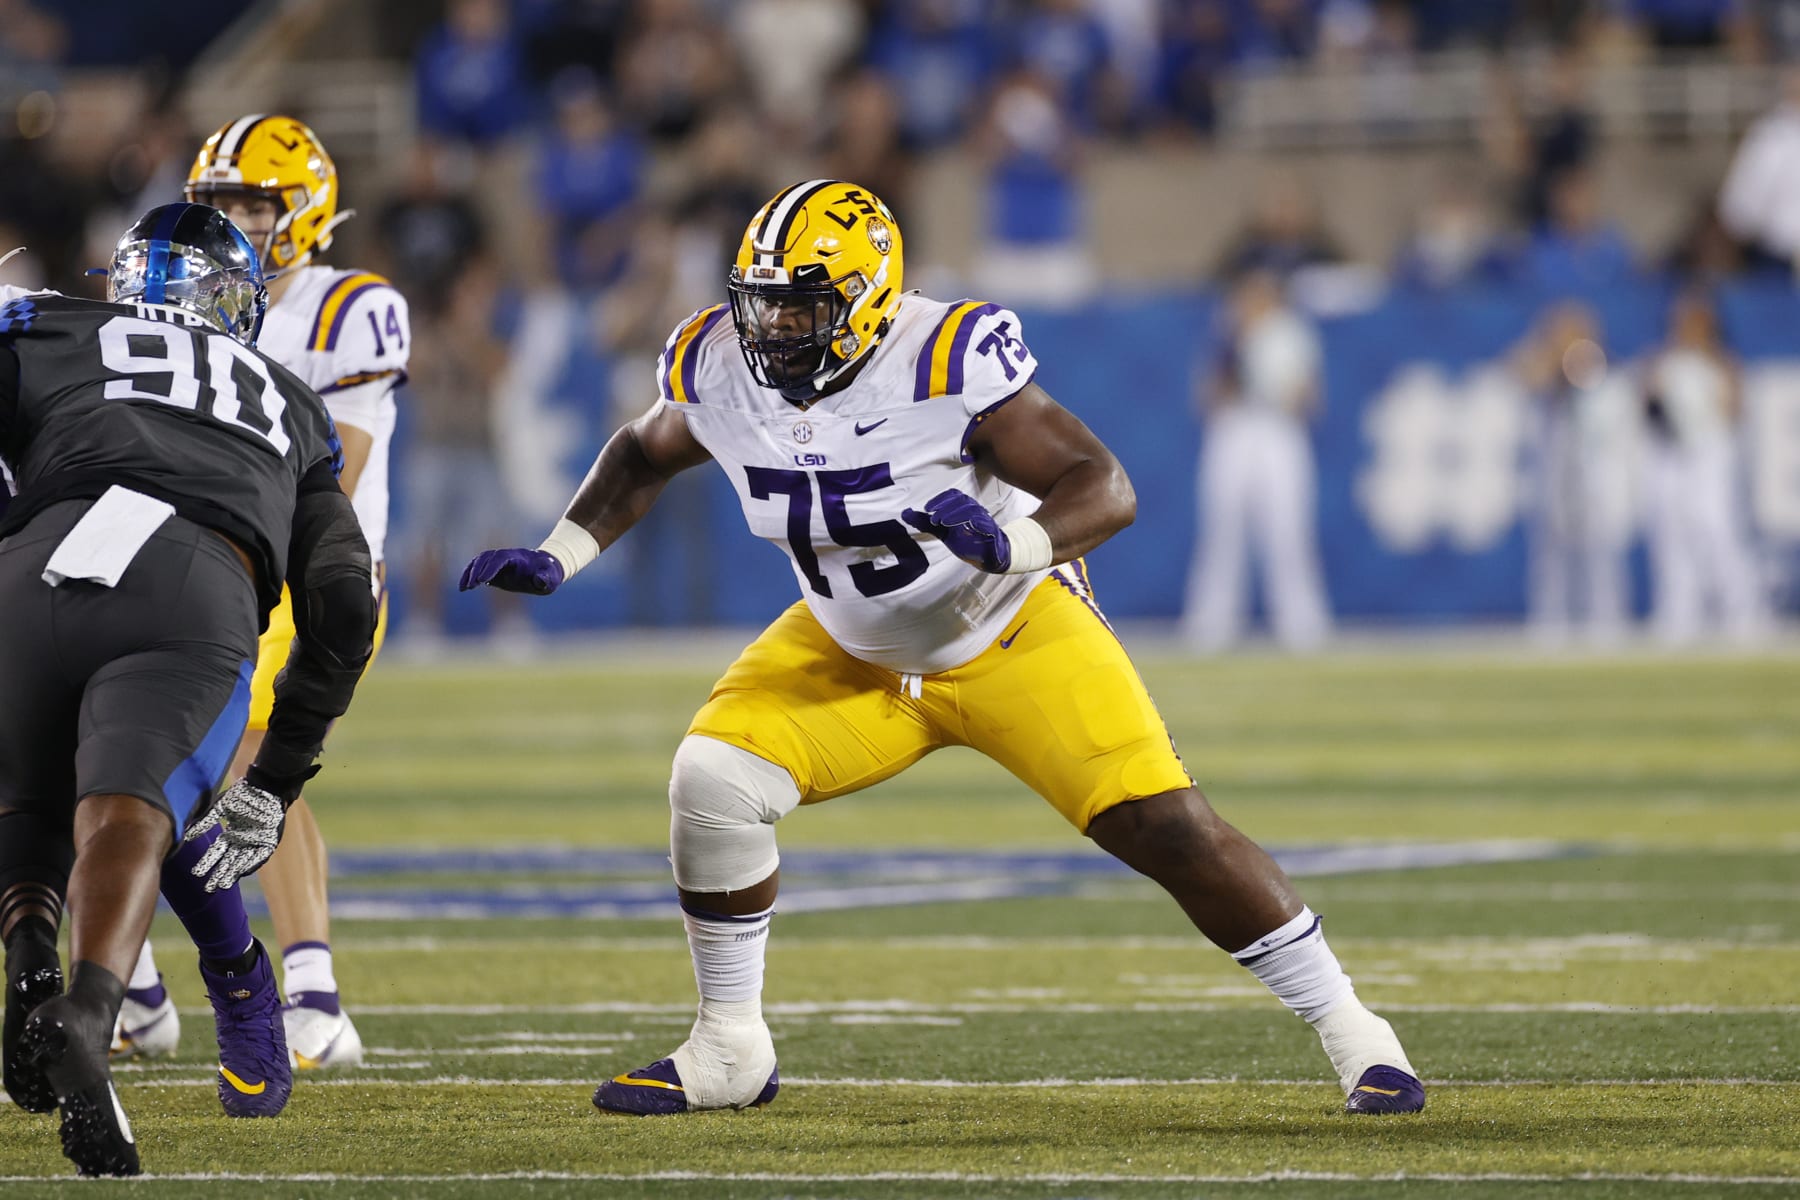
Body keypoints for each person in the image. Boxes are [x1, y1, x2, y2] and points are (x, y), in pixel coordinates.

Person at [462, 180, 1424, 1118]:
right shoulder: (717, 362)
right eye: (761, 307)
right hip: (850, 647)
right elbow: (644, 450)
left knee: (1167, 827)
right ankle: (729, 1049)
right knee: (710, 782)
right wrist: (563, 551)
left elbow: (1104, 483)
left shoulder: (944, 356)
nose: (772, 333)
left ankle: (1357, 1033)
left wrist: (1017, 541)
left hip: (1007, 625)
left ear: (869, 303)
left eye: (800, 312)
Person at [0, 202, 376, 1175]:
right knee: (137, 806)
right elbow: (343, 598)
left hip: (39, 559)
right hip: (190, 581)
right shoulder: (292, 401)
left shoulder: (47, 322)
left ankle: (31, 949)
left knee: (31, 782)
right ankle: (92, 1002)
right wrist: (281, 774)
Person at [117, 115, 406, 1074]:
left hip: (305, 570)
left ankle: (314, 997)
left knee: (248, 757)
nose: (236, 218)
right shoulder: (180, 296)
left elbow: (337, 465)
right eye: (220, 202)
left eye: (254, 202)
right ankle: (138, 993)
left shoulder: (348, 307)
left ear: (309, 209)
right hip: (195, 560)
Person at [1181, 268, 1332, 653]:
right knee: (1223, 529)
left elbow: (1309, 398)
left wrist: (1278, 384)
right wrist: (1238, 358)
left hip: (1278, 431)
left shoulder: (1290, 334)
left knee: (1286, 530)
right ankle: (1211, 624)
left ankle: (1301, 626)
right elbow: (1207, 395)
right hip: (1235, 429)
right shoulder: (1227, 335)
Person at [1642, 293, 1765, 645]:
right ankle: (1679, 616)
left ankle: (1744, 613)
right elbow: (1649, 409)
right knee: (1672, 536)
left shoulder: (1721, 363)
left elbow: (1734, 411)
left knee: (1718, 530)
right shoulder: (1663, 363)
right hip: (1673, 456)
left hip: (1711, 456)